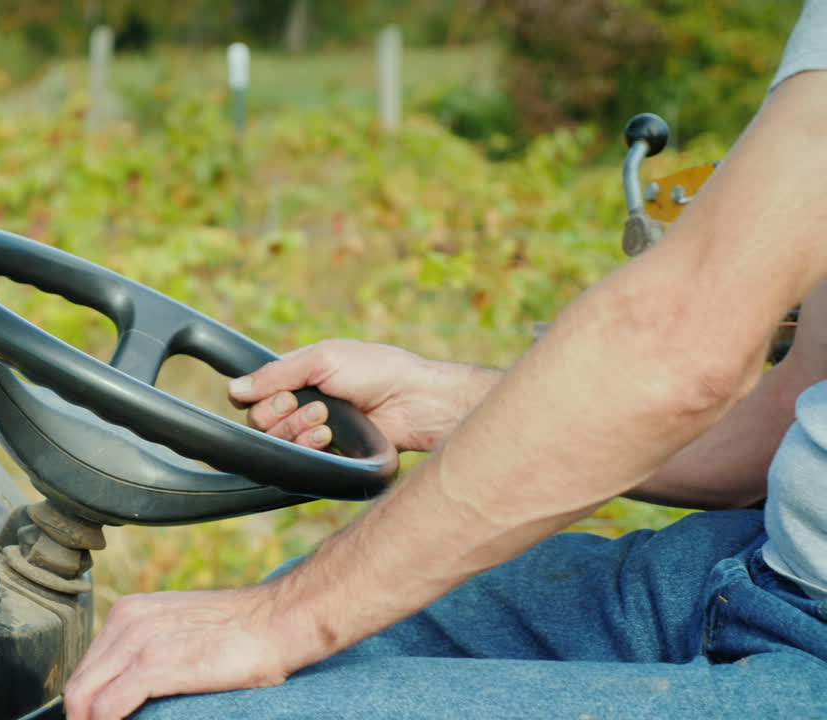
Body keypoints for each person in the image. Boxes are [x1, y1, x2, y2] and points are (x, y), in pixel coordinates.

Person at [64, 3, 827, 717]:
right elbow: (782, 418)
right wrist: (446, 398)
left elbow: (678, 342)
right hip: (762, 573)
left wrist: (283, 619)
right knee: (291, 649)